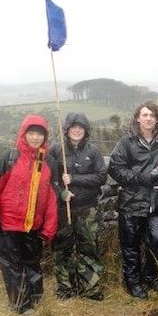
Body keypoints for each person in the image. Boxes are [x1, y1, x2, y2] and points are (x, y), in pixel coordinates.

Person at [0, 115, 58, 314]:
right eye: (32, 133)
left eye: (40, 134)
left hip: (33, 225)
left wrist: (48, 228)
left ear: (45, 137)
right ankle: (20, 304)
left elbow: (52, 199)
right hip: (8, 223)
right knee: (12, 265)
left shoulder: (48, 162)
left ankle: (35, 299)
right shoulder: (8, 158)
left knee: (32, 262)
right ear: (24, 133)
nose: (35, 137)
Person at [108, 101, 158, 300]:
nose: (148, 118)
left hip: (156, 200)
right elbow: (115, 168)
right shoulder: (127, 142)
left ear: (157, 118)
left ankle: (152, 275)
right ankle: (132, 281)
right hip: (131, 202)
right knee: (131, 245)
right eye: (144, 115)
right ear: (138, 118)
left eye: (152, 115)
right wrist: (139, 178)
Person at [48, 112, 108, 301]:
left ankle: (89, 287)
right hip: (62, 209)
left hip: (88, 208)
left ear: (86, 130)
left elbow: (101, 177)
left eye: (80, 127)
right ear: (66, 129)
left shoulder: (93, 151)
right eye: (73, 127)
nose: (77, 130)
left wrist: (75, 179)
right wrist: (61, 192)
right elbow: (49, 180)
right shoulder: (56, 150)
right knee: (62, 249)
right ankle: (65, 288)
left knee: (88, 248)